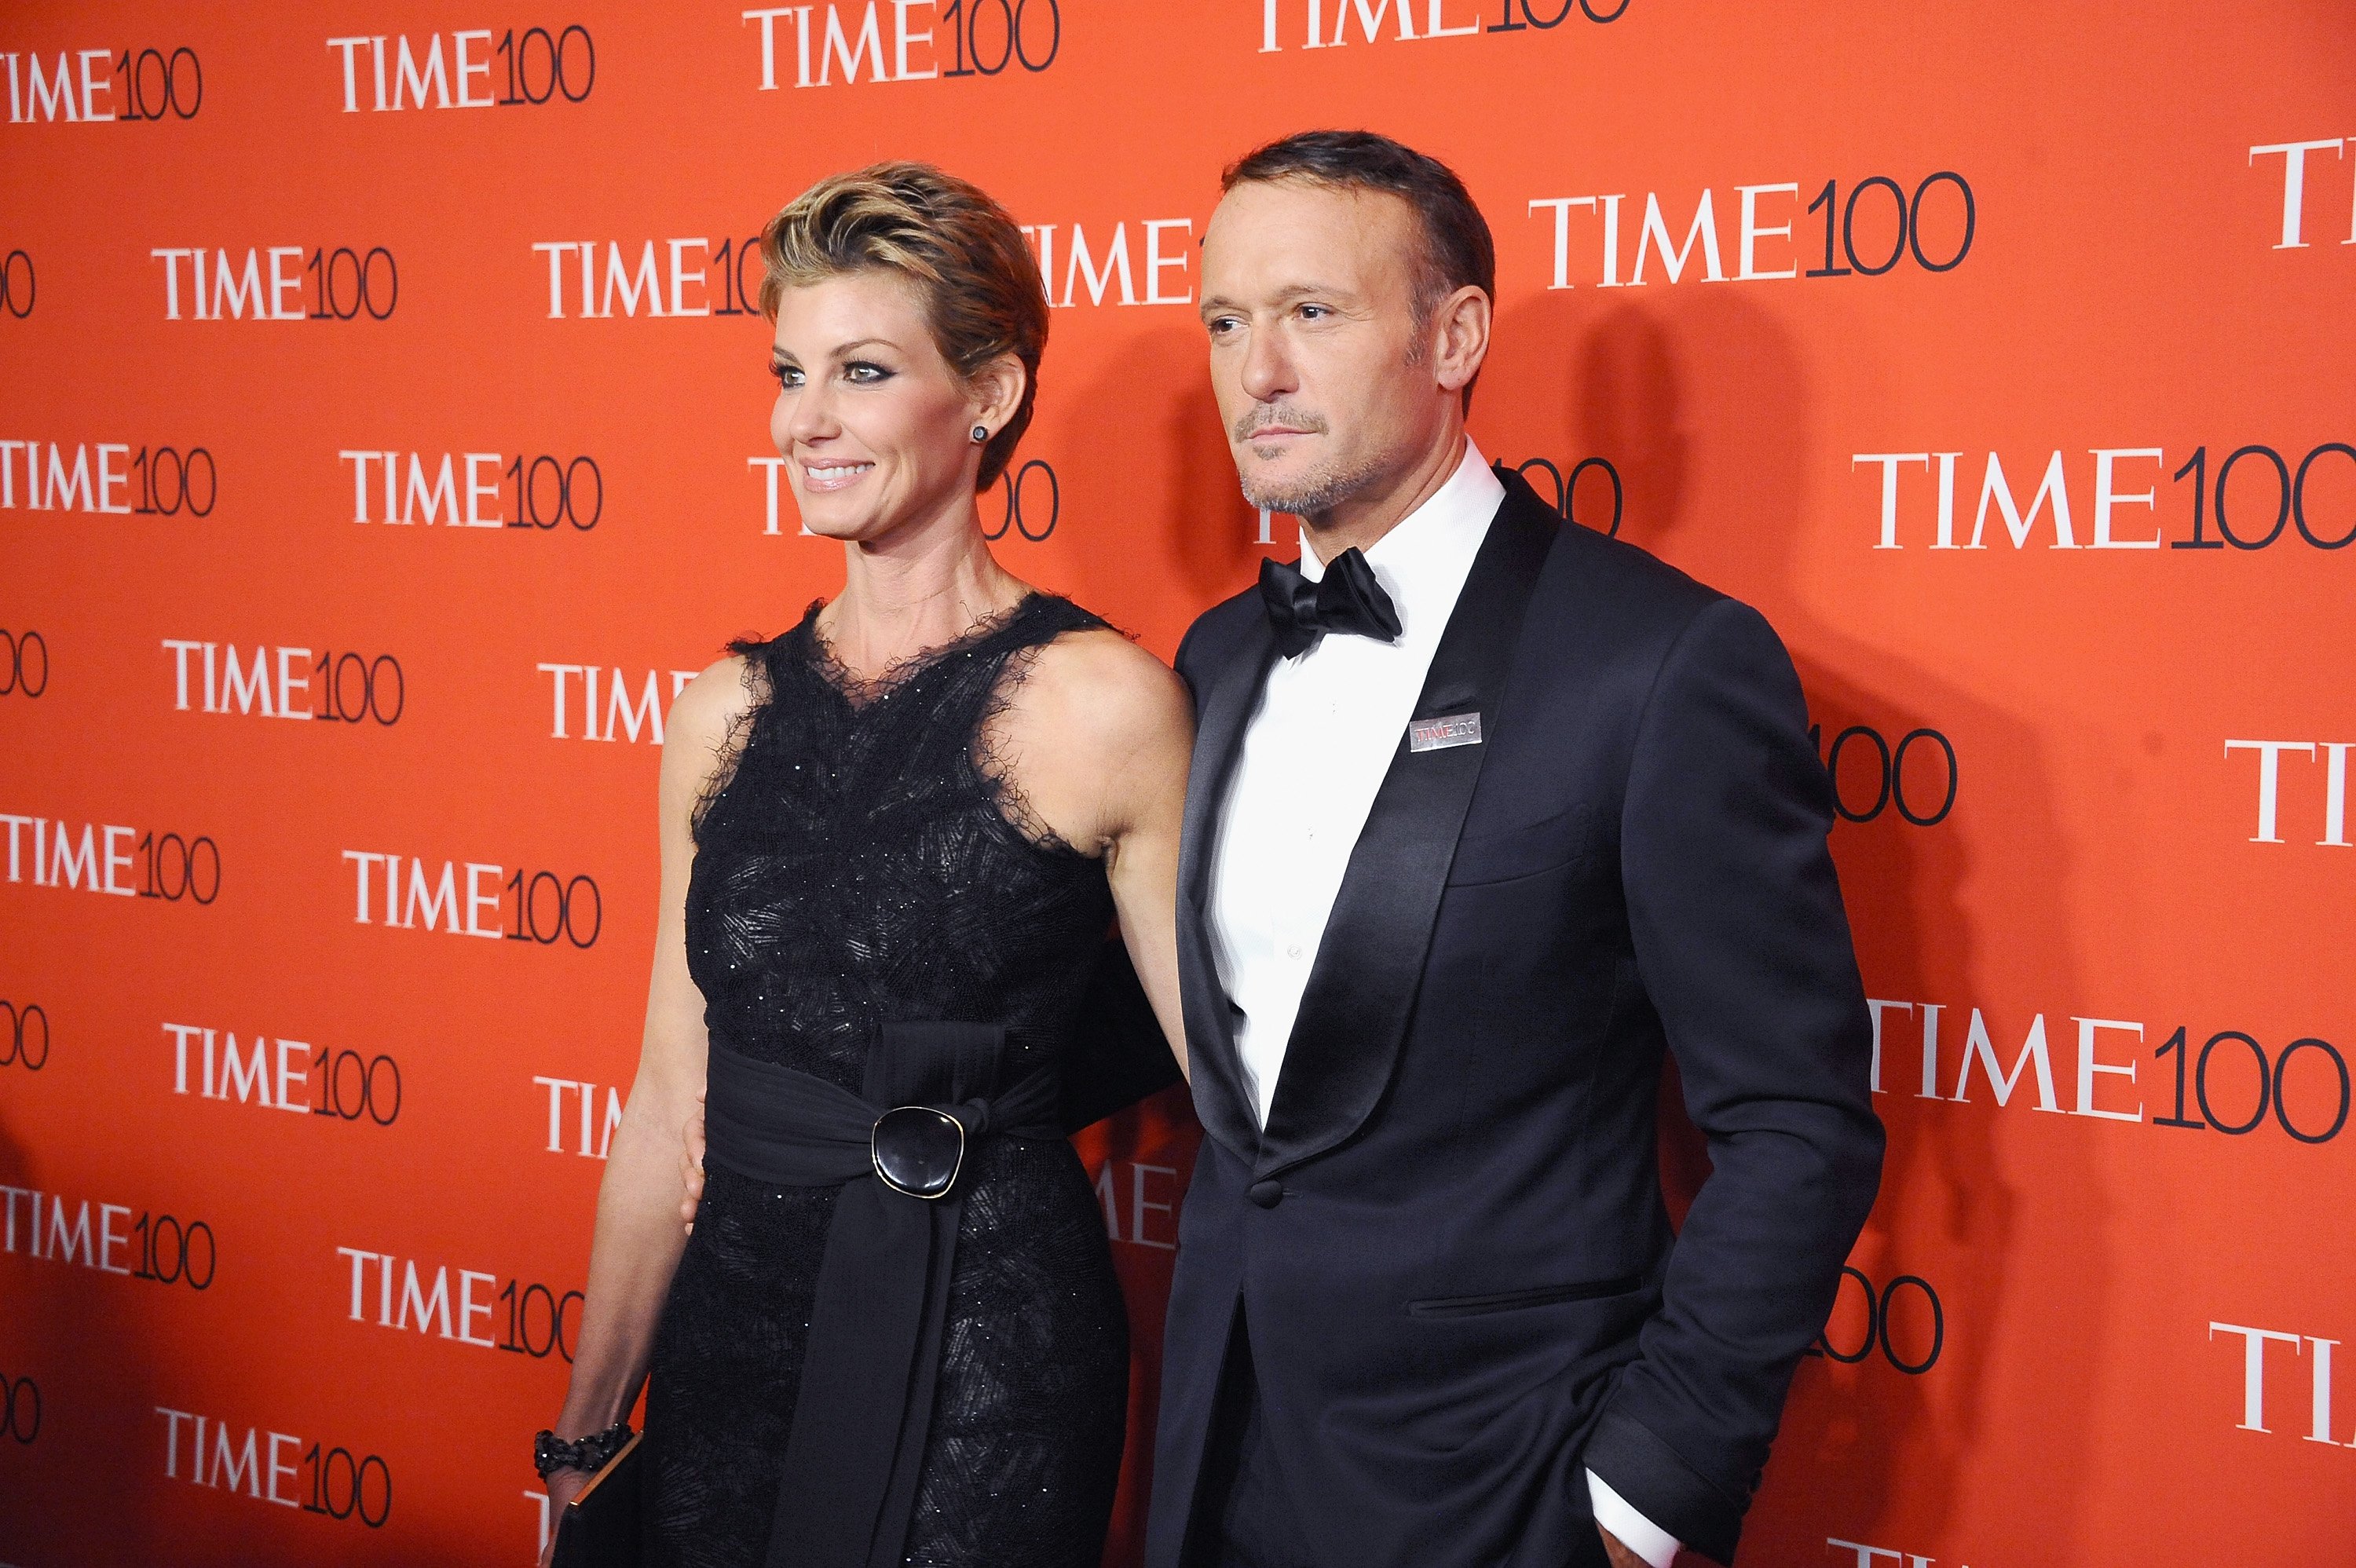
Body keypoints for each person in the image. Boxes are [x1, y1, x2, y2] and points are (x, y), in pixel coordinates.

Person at [1145, 132, 1885, 1568]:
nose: (1257, 374)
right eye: (1225, 322)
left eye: (1312, 311)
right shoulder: (1218, 655)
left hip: (1507, 1484)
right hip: (1217, 1462)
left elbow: (1799, 1121)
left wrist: (1643, 1501)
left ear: (1456, 333)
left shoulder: (1662, 664)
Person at [536, 162, 1192, 1568]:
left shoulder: (1102, 705)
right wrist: (588, 1431)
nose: (805, 419)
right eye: (789, 370)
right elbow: (667, 1099)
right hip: (731, 1331)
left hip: (991, 1349)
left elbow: (1238, 1089)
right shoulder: (721, 710)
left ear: (994, 393)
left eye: (864, 369)